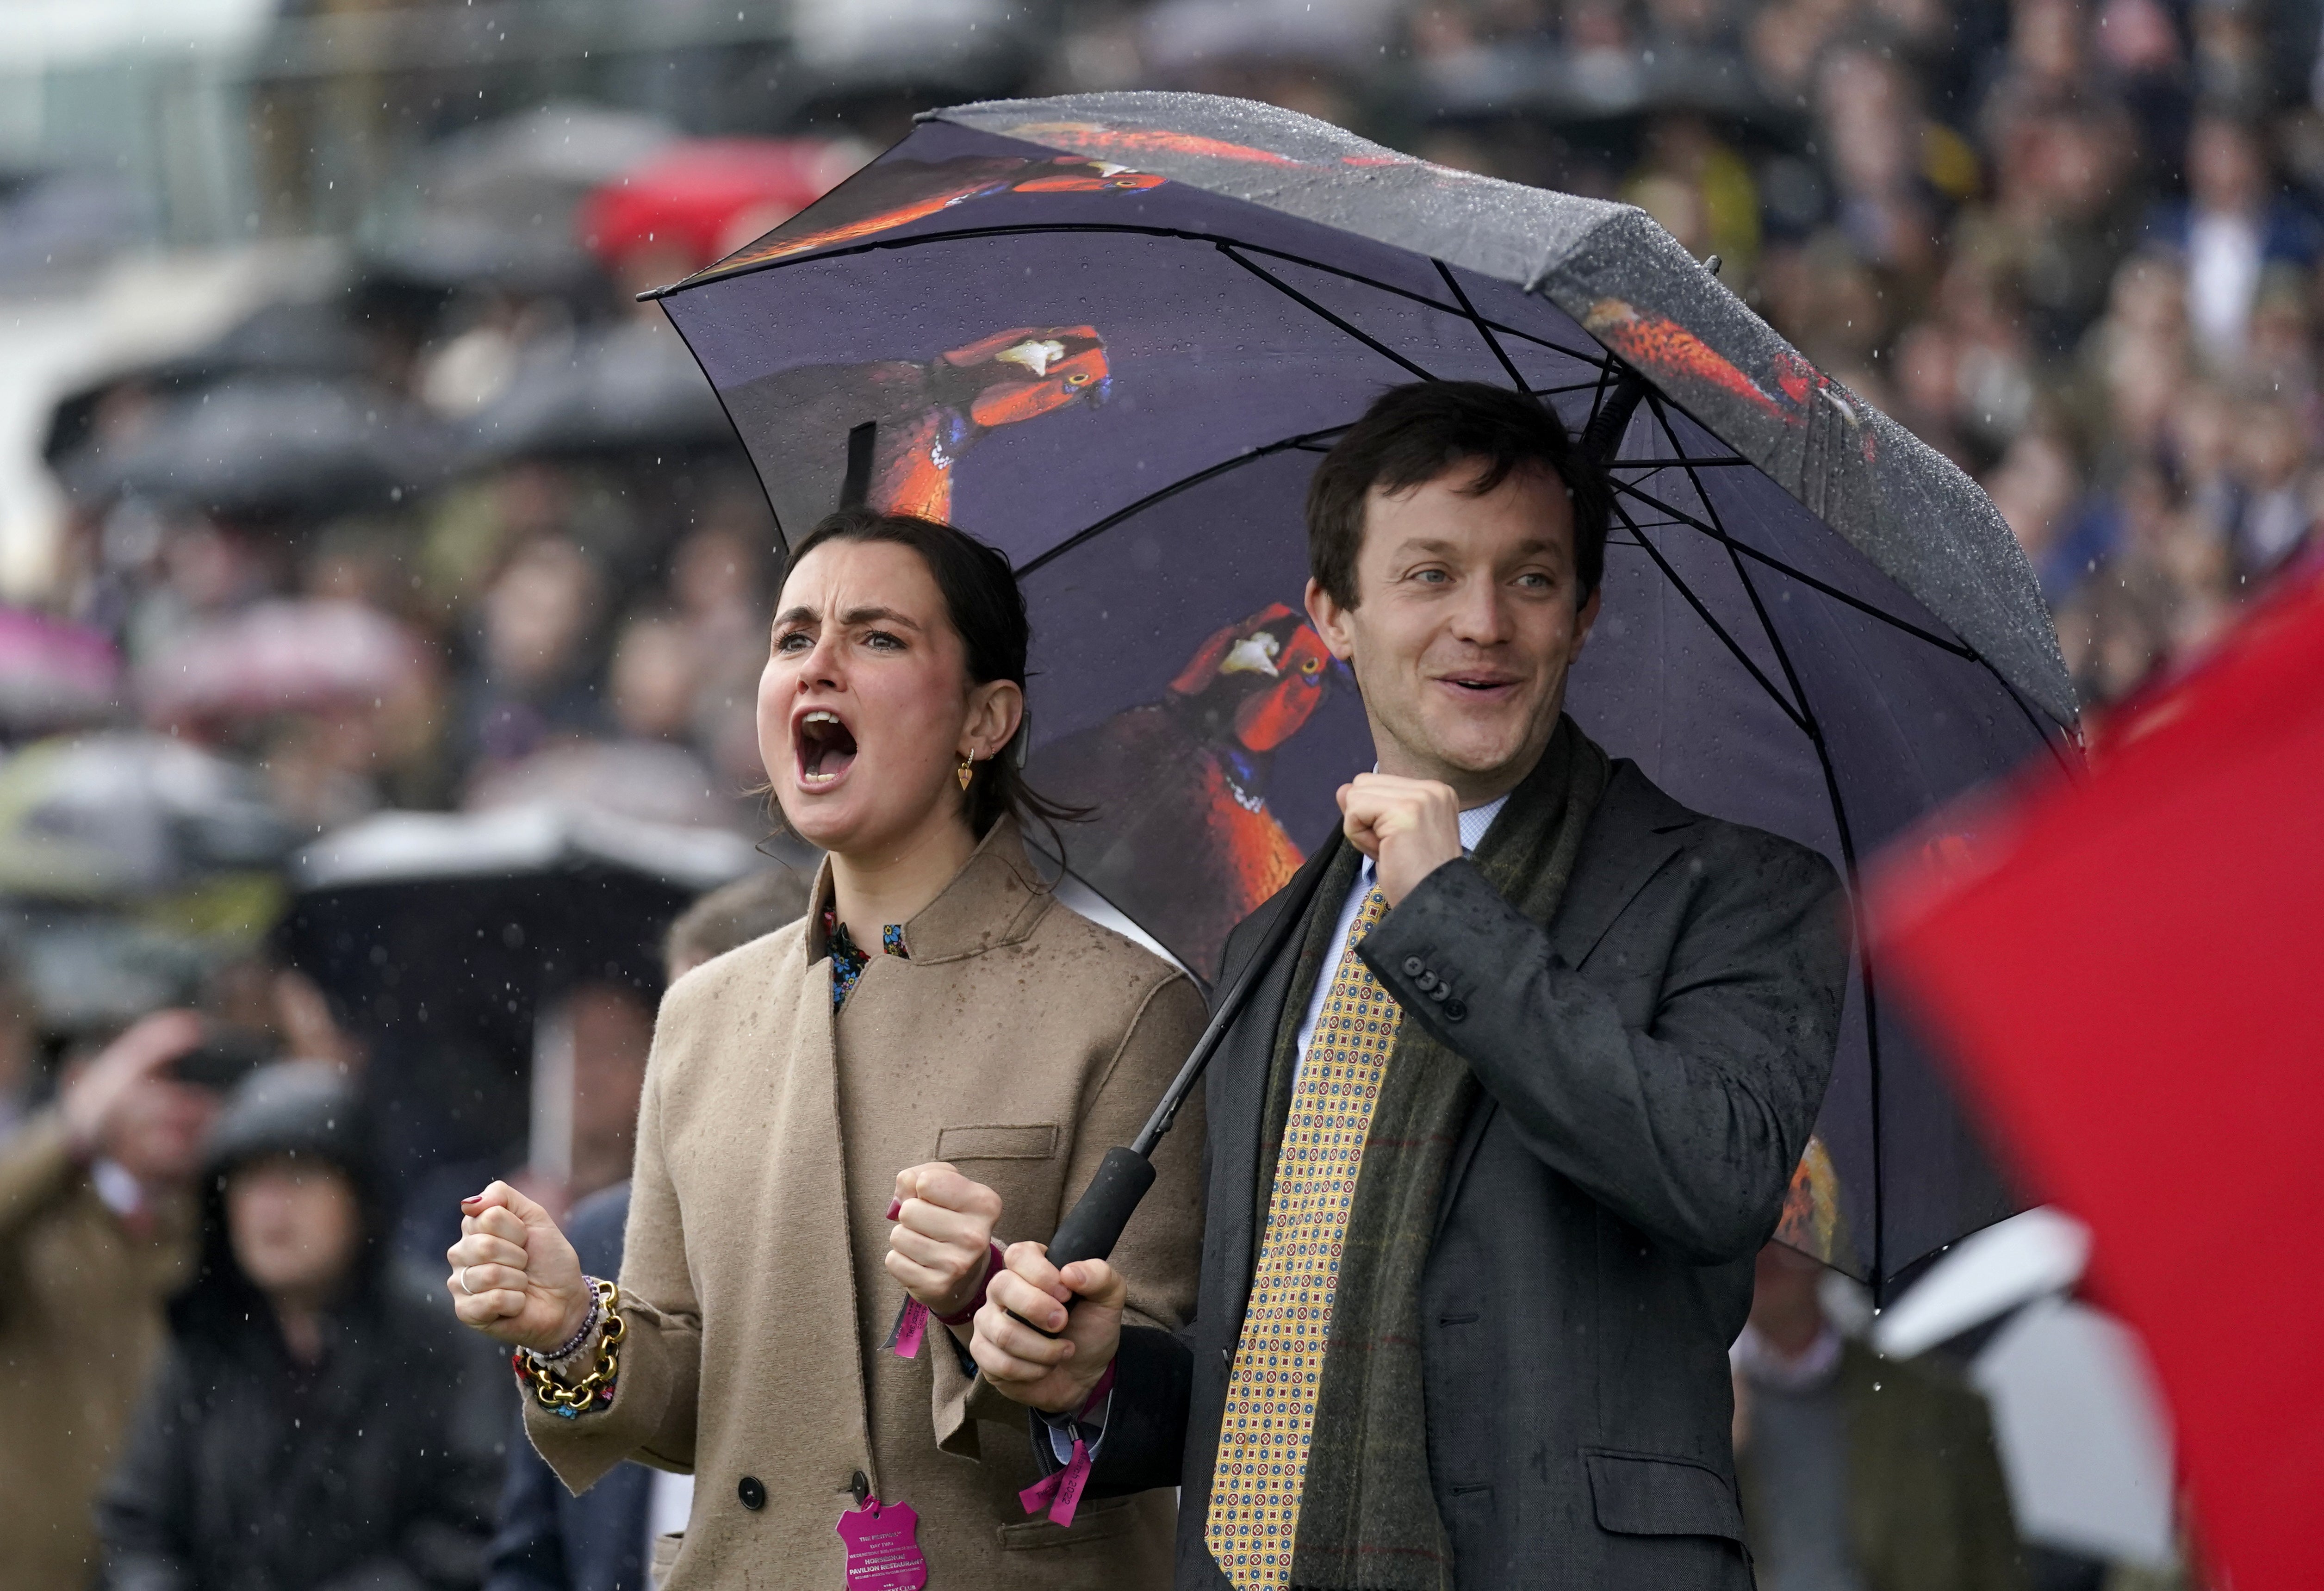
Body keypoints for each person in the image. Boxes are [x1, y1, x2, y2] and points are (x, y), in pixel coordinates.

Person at [973, 380, 1852, 1589]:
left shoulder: (1746, 892)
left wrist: (1449, 911)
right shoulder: (1268, 937)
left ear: (1582, 613)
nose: (1482, 621)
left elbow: (1709, 1176)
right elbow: (1271, 1350)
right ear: (1332, 613)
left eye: (1530, 577)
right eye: (1429, 574)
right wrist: (1097, 1375)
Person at [447, 508, 1209, 1590]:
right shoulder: (705, 1011)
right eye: (792, 637)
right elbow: (701, 1406)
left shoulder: (1129, 1005)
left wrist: (1006, 1324)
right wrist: (570, 1326)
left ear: (984, 719)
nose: (818, 668)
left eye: (879, 638)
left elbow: (1146, 1421)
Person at [485, 865, 816, 1591]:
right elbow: (532, 1542)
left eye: (712, 1024)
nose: (682, 1062)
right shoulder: (595, 1235)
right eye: (674, 1024)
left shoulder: (847, 1241)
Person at [97, 1063, 500, 1590]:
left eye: (297, 1177)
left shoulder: (442, 1336)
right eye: (250, 1181)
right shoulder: (208, 1337)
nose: (270, 1208)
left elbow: (476, 1526)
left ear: (358, 1197)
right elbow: (137, 1526)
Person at [0, 1009, 213, 1591]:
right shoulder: (37, 1229)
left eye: (193, 1083)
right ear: (83, 1083)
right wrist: (78, 1120)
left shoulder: (225, 1234)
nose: (176, 1105)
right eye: (151, 1081)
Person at [1733, 1240, 2029, 1591]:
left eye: (1787, 1229)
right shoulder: (1694, 1413)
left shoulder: (1938, 1407)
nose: (1765, 1253)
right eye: (1746, 1237)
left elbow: (1998, 1568)